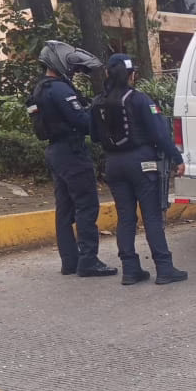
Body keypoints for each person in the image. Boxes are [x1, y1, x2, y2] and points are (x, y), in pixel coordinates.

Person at [91, 54, 188, 285]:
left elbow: (94, 136)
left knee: (126, 218)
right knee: (152, 216)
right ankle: (164, 268)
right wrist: (177, 159)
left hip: (113, 164)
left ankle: (130, 269)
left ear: (107, 74)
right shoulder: (140, 100)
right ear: (131, 75)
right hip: (142, 163)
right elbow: (159, 135)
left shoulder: (97, 103)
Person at [28, 40, 117, 278]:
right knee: (86, 206)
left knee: (64, 209)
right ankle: (88, 261)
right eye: (72, 67)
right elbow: (82, 122)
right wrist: (98, 115)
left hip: (56, 153)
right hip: (72, 153)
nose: (74, 71)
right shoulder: (60, 89)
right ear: (57, 61)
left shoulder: (40, 88)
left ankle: (70, 261)